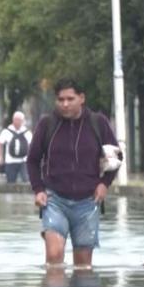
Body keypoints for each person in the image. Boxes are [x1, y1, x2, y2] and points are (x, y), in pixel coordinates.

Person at [27, 78, 119, 268]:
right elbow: (33, 160)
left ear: (81, 98)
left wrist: (104, 184)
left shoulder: (98, 122)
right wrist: (39, 190)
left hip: (88, 201)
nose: (65, 104)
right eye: (60, 99)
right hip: (54, 199)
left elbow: (115, 158)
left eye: (70, 99)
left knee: (83, 266)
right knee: (54, 256)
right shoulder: (47, 124)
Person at [0, 111, 33, 183]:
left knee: (26, 181)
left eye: (19, 120)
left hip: (24, 161)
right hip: (10, 161)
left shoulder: (27, 132)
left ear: (22, 121)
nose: (18, 122)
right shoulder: (7, 131)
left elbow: (32, 145)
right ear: (13, 120)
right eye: (16, 119)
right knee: (11, 182)